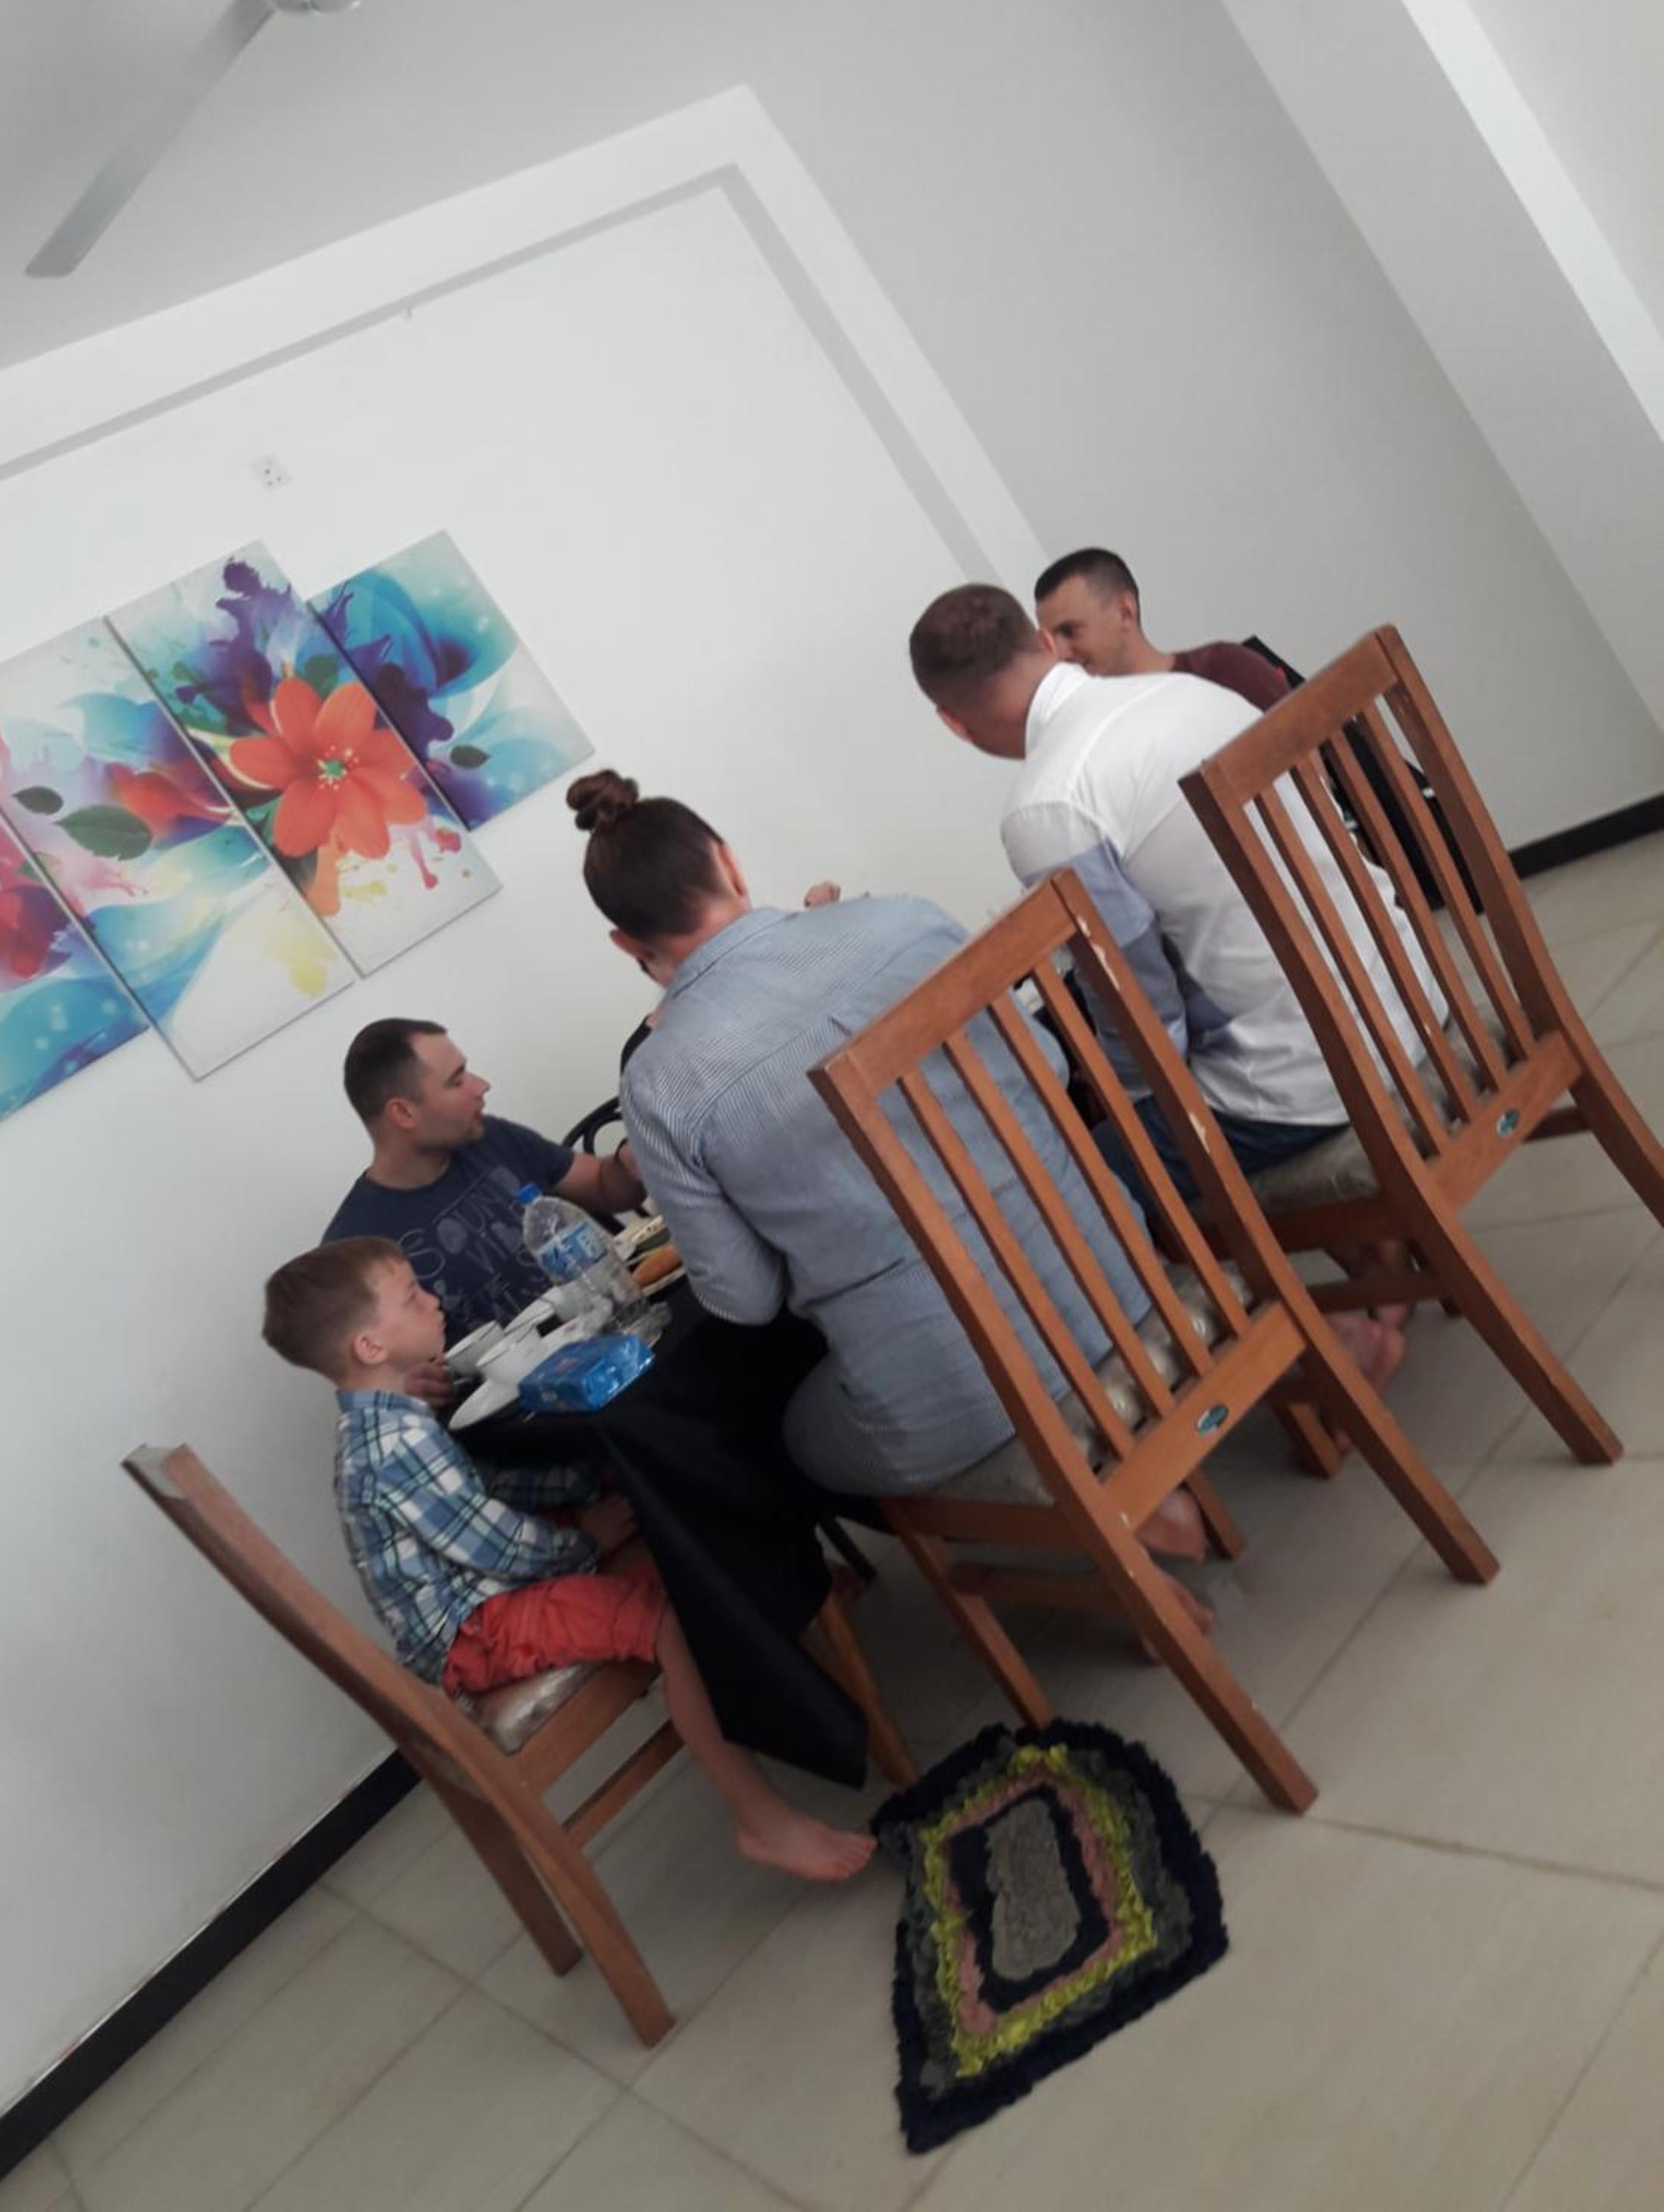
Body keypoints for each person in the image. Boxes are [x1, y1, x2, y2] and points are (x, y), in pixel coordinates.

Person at [567, 767, 1208, 1571]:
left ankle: (1087, 1515)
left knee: (796, 1439)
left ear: (627, 944)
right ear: (727, 861)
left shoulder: (661, 1082)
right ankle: (1127, 1483)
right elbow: (1046, 1070)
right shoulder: (904, 922)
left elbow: (745, 1298)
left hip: (967, 1394)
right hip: (1122, 1277)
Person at [909, 583, 1436, 1365]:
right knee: (1187, 1074)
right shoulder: (1194, 695)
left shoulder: (1048, 804)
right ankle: (1373, 1259)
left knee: (1081, 1186)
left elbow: (1137, 1008)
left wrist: (1128, 1099)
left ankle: (1320, 1353)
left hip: (1314, 1079)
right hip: (1411, 996)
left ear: (953, 723)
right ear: (1044, 644)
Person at [261, 1236, 876, 1880]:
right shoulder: (392, 1448)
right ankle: (761, 1821)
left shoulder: (396, 1419)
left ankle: (781, 1612)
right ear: (370, 1347)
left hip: (484, 1586)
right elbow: (495, 1543)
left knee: (660, 1513)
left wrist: (582, 1489)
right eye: (412, 1297)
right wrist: (588, 1541)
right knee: (666, 1623)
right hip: (473, 1627)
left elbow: (486, 1488)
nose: (433, 1301)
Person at [323, 1018, 647, 1401]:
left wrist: (628, 1164)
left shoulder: (488, 1136)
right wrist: (403, 1386)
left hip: (617, 1339)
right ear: (404, 1113)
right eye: (456, 1080)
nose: (481, 1086)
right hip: (531, 1409)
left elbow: (604, 1187)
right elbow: (370, 1381)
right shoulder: (353, 1244)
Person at [1034, 547, 1289, 711]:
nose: (1061, 654)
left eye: (1070, 631)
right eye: (1051, 641)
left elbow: (1308, 747)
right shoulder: (1095, 732)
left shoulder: (1225, 669)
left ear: (1125, 612)